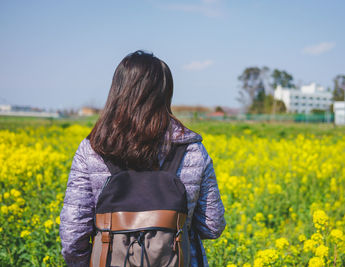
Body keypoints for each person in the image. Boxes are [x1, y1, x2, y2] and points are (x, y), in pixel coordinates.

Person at [59, 50, 226, 267]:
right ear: (166, 93)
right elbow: (212, 226)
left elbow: (73, 237)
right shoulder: (192, 150)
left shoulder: (92, 148)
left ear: (117, 91)